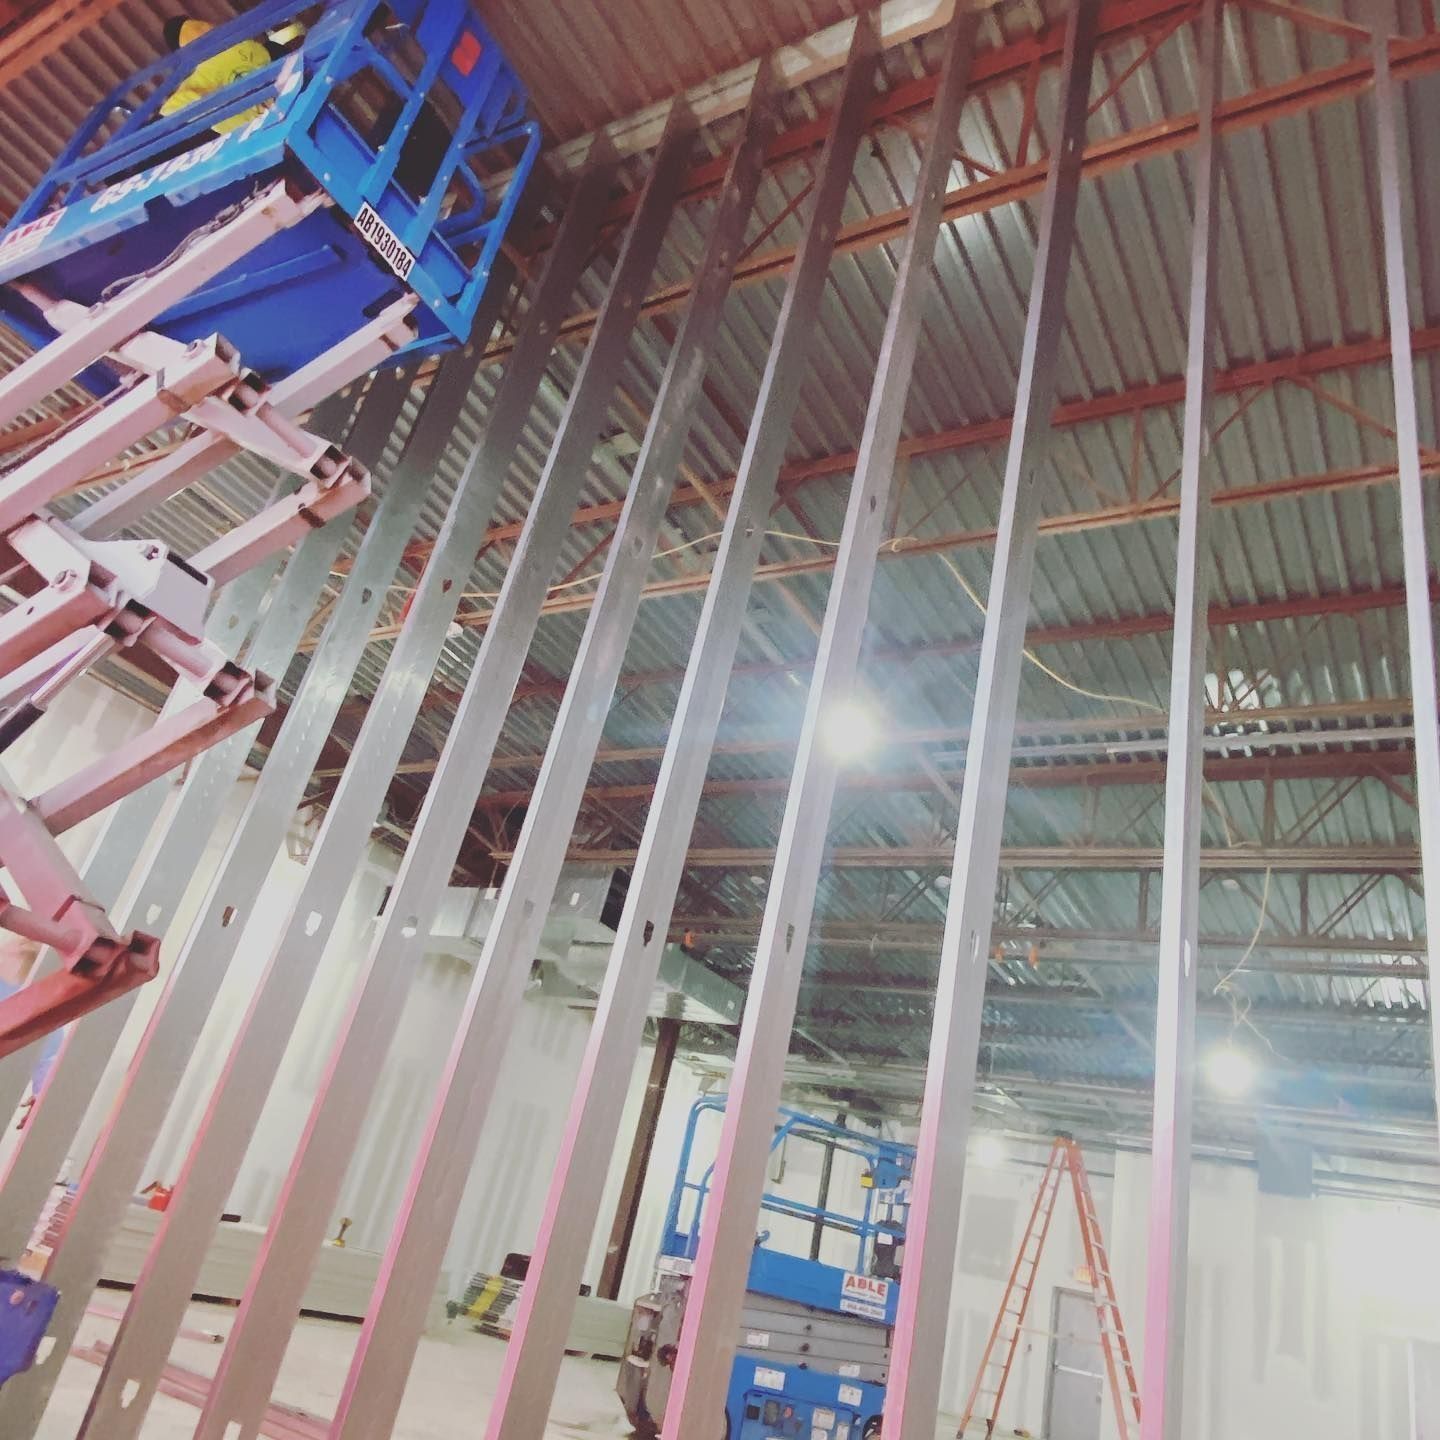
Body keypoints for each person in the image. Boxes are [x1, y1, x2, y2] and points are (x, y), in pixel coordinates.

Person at [159, 16, 274, 134]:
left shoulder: (197, 80)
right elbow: (267, 57)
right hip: (281, 103)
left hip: (252, 132)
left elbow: (168, 110)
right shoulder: (245, 45)